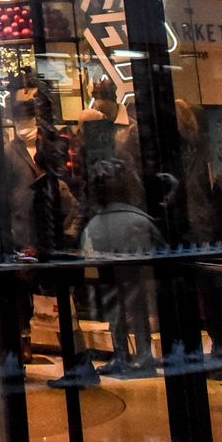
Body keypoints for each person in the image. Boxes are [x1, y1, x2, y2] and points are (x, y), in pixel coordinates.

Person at [80, 160, 162, 376]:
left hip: (112, 279)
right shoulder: (140, 219)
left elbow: (88, 259)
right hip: (137, 277)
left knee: (117, 310)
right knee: (136, 308)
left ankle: (122, 353)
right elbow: (160, 248)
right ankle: (142, 353)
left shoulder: (94, 224)